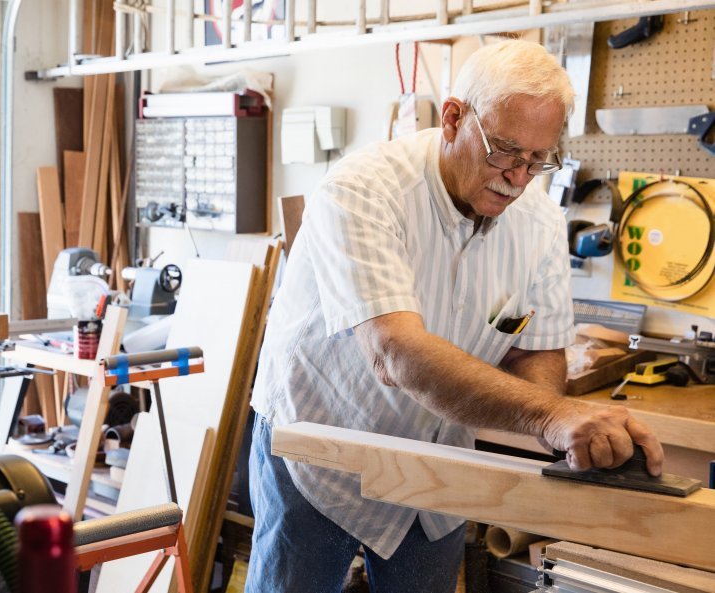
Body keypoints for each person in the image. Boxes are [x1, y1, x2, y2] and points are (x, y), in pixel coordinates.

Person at [246, 39, 664, 593]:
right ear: (453, 118)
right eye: (506, 152)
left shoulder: (537, 220)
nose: (518, 178)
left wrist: (561, 433)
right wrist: (549, 418)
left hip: (437, 468)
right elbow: (396, 354)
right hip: (320, 449)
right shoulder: (363, 191)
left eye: (538, 160)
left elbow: (534, 349)